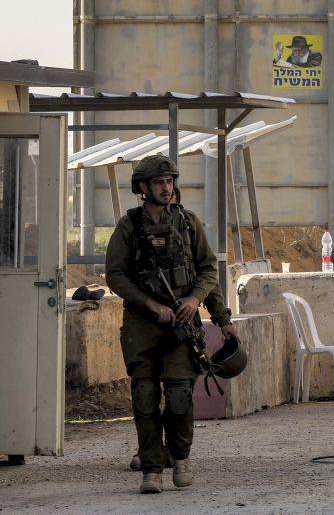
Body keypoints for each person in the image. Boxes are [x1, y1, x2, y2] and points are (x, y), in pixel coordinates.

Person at [105, 155, 219, 494]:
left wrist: (197, 301)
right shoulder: (129, 227)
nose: (166, 188)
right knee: (145, 395)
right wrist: (150, 303)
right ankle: (151, 469)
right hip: (143, 325)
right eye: (159, 182)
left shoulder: (187, 222)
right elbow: (115, 275)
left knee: (181, 395)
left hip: (182, 324)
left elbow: (208, 269)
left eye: (169, 181)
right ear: (143, 187)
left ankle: (180, 459)